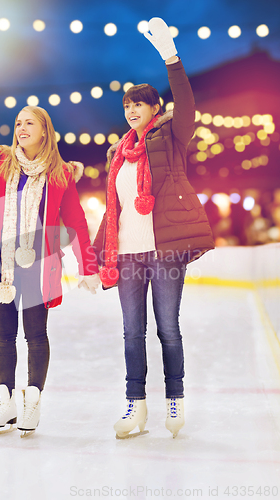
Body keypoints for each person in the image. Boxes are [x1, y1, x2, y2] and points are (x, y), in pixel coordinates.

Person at [0, 67, 100, 437]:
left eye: (29, 123)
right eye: (18, 123)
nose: (21, 128)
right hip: (0, 262)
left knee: (35, 334)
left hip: (38, 264)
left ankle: (32, 402)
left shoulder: (60, 173)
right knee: (4, 334)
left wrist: (88, 266)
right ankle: (6, 402)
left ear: (45, 131)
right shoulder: (2, 161)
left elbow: (77, 222)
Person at [93, 18, 214, 439]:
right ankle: (136, 406)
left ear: (154, 109)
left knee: (168, 328)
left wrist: (171, 57)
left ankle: (174, 398)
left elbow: (187, 101)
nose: (130, 112)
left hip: (164, 252)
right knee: (131, 332)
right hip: (127, 254)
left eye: (138, 105)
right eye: (126, 106)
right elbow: (115, 209)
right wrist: (95, 259)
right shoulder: (118, 154)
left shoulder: (172, 137)